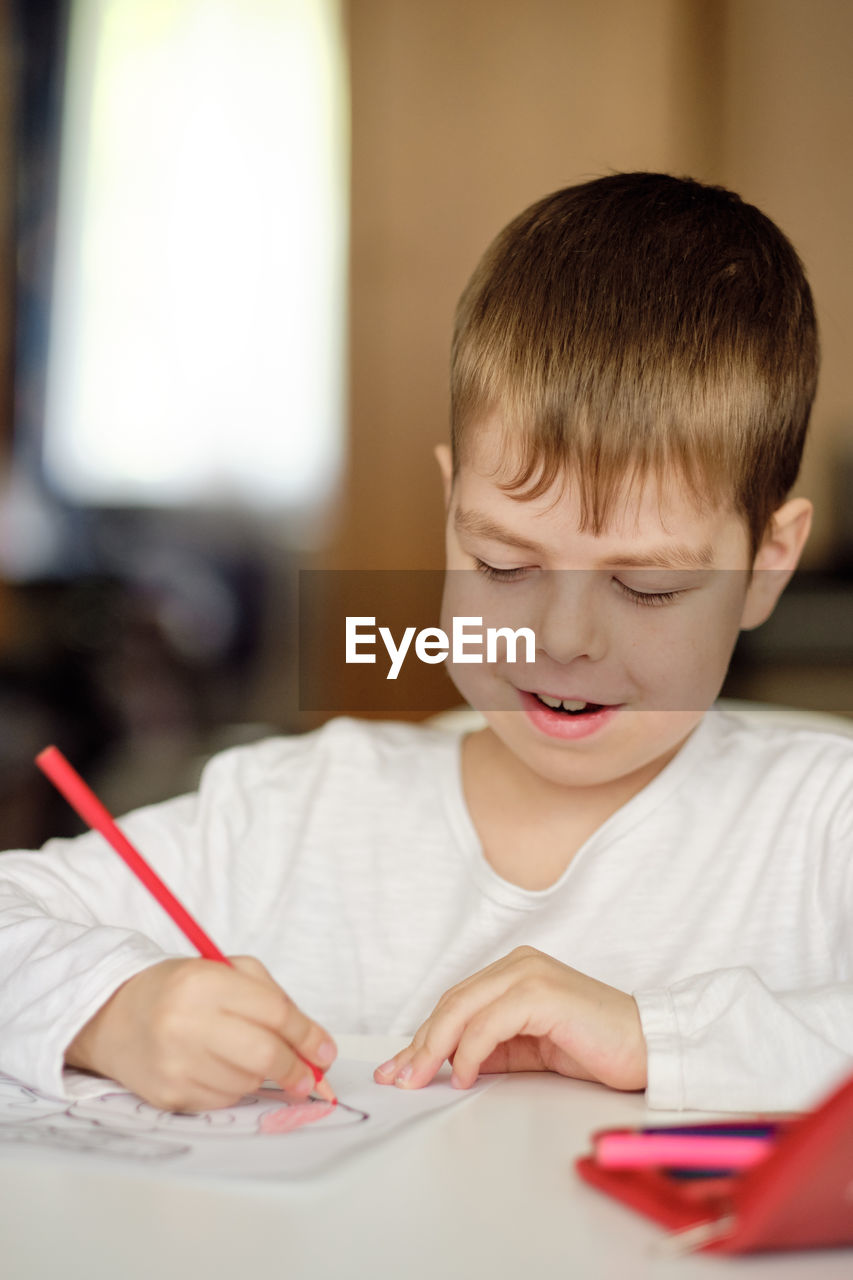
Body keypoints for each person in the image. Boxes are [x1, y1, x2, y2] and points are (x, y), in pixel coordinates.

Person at [1, 173, 850, 1115]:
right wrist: (108, 1009)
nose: (563, 638)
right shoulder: (296, 813)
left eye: (645, 584)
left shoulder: (821, 825)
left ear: (766, 564)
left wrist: (659, 1036)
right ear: (451, 507)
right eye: (503, 564)